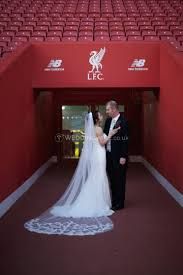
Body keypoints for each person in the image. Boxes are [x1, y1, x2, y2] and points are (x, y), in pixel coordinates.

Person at [24, 111, 120, 236]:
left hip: (96, 155)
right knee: (99, 176)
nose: (102, 116)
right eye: (100, 115)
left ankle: (93, 200)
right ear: (97, 119)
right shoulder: (98, 129)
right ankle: (97, 202)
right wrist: (111, 134)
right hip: (99, 155)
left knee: (95, 176)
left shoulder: (91, 129)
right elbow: (102, 143)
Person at [104, 100, 129, 210]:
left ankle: (120, 203)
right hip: (108, 155)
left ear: (114, 109)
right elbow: (105, 135)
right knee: (112, 179)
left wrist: (123, 156)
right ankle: (114, 201)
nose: (107, 112)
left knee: (120, 180)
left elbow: (126, 140)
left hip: (119, 157)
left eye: (108, 109)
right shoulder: (108, 121)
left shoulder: (124, 121)